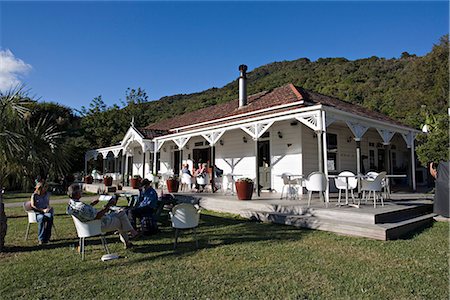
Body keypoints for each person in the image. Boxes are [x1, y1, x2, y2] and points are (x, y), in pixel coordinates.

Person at [66, 183, 138, 249]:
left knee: (121, 214)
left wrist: (92, 204)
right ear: (76, 193)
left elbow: (85, 213)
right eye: (80, 191)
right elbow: (98, 216)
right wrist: (108, 206)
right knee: (122, 220)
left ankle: (130, 235)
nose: (81, 192)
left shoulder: (72, 204)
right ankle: (131, 234)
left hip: (85, 227)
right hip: (99, 225)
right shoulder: (82, 207)